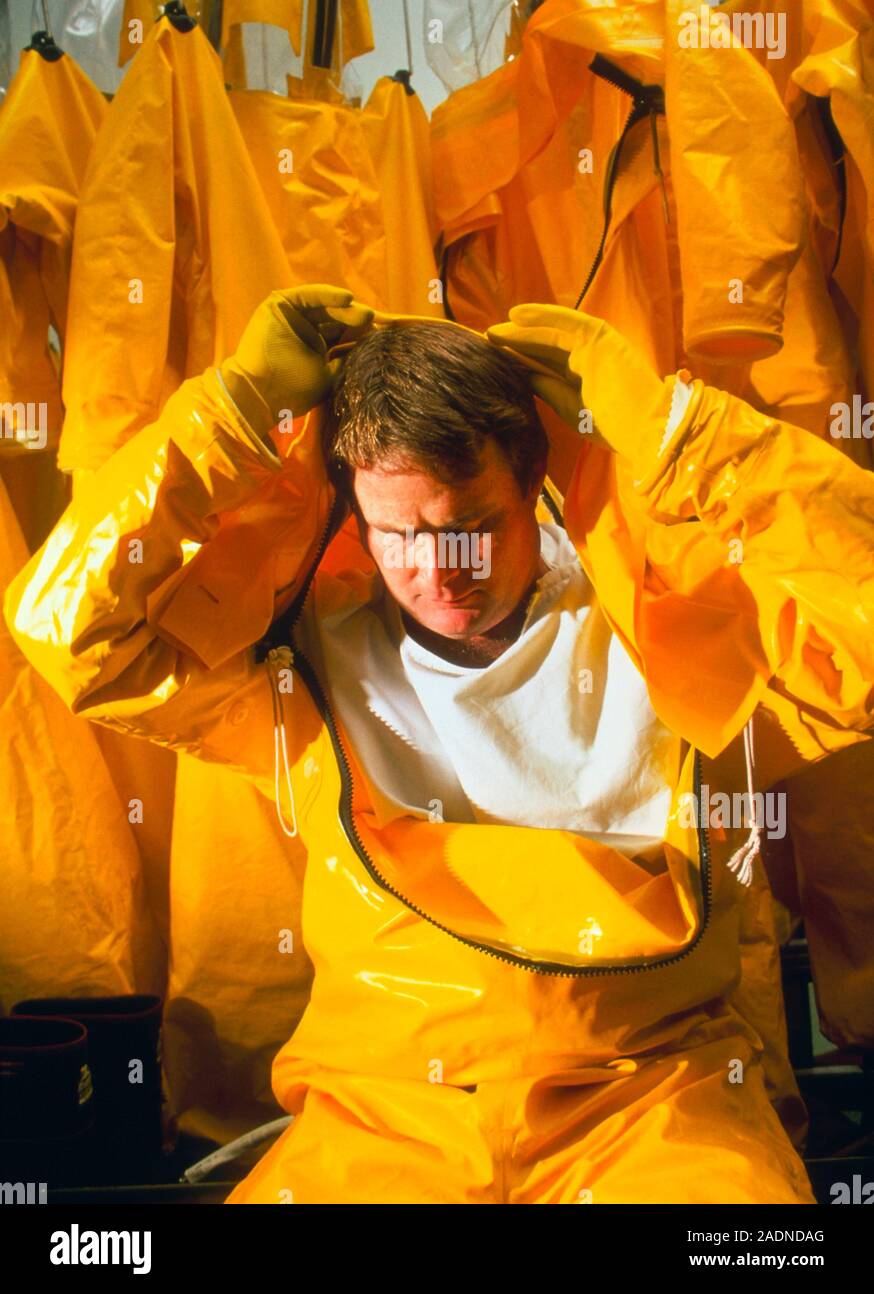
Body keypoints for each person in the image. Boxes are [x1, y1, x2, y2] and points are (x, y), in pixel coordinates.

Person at [7, 287, 874, 1204]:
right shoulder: (301, 663)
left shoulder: (667, 619)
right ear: (353, 513)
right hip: (383, 1115)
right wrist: (236, 407)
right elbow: (70, 635)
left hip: (651, 1098)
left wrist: (683, 435)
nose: (439, 575)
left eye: (472, 528)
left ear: (531, 481)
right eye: (399, 536)